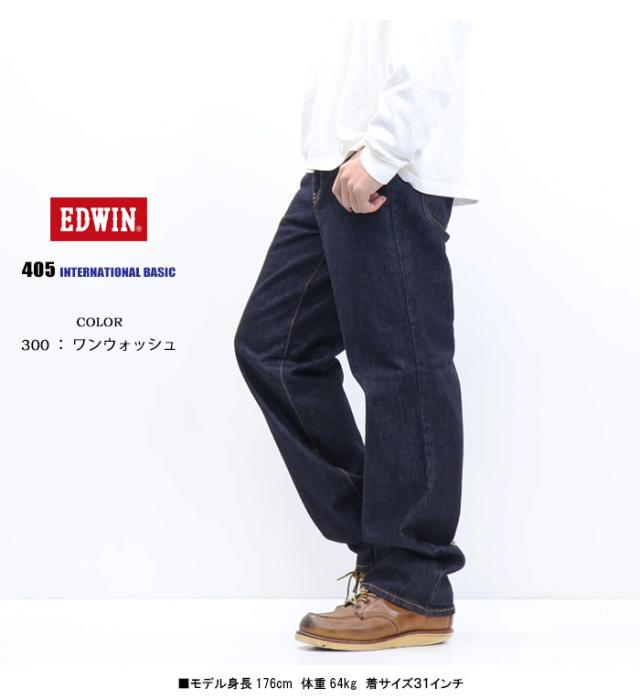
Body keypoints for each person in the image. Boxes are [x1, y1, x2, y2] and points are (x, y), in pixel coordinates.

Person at [234, 19, 478, 651]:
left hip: (385, 173)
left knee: (403, 369)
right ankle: (390, 547)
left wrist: (382, 155)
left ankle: (412, 584)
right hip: (334, 168)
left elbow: (435, 35)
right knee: (273, 349)